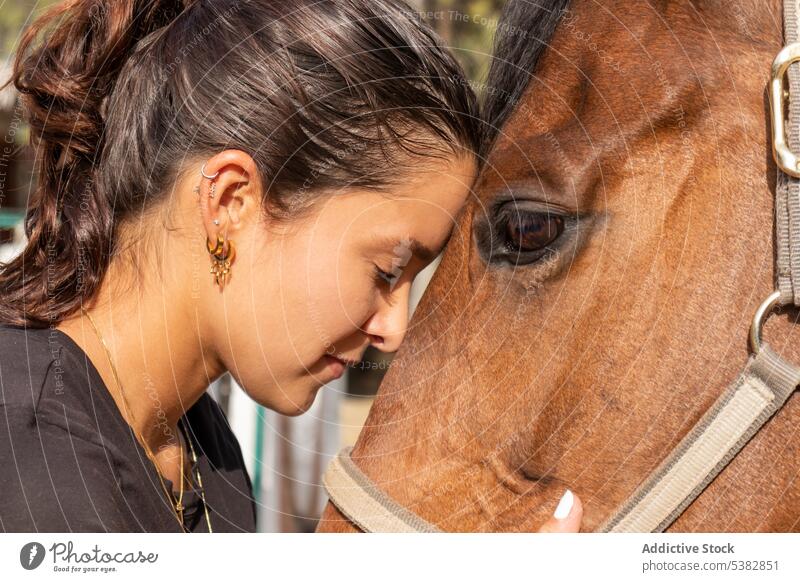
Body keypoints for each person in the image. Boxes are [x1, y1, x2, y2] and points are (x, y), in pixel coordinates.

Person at [0, 0, 582, 533]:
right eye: (387, 269)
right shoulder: (31, 453)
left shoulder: (200, 445)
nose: (394, 329)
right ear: (231, 202)